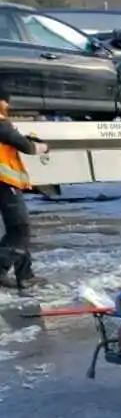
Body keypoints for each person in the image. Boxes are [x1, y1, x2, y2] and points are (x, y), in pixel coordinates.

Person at [0, 86, 48, 291]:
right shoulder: (1, 123)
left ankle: (25, 275)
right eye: (5, 101)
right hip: (4, 183)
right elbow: (26, 147)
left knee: (17, 231)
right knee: (21, 229)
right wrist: (42, 146)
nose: (7, 106)